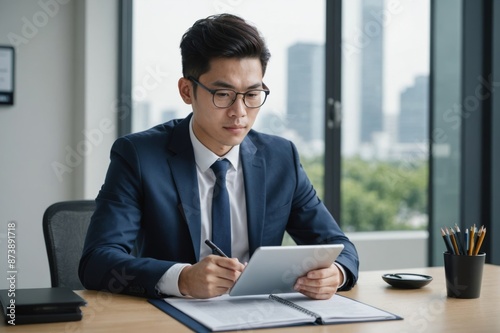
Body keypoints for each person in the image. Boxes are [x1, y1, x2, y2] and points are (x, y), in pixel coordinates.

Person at [79, 13, 359, 300]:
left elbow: (339, 245)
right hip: (170, 319)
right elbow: (97, 262)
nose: (239, 112)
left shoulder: (280, 157)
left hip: (261, 315)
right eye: (223, 94)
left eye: (252, 94)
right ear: (187, 91)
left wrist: (335, 273)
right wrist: (183, 278)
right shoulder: (139, 156)